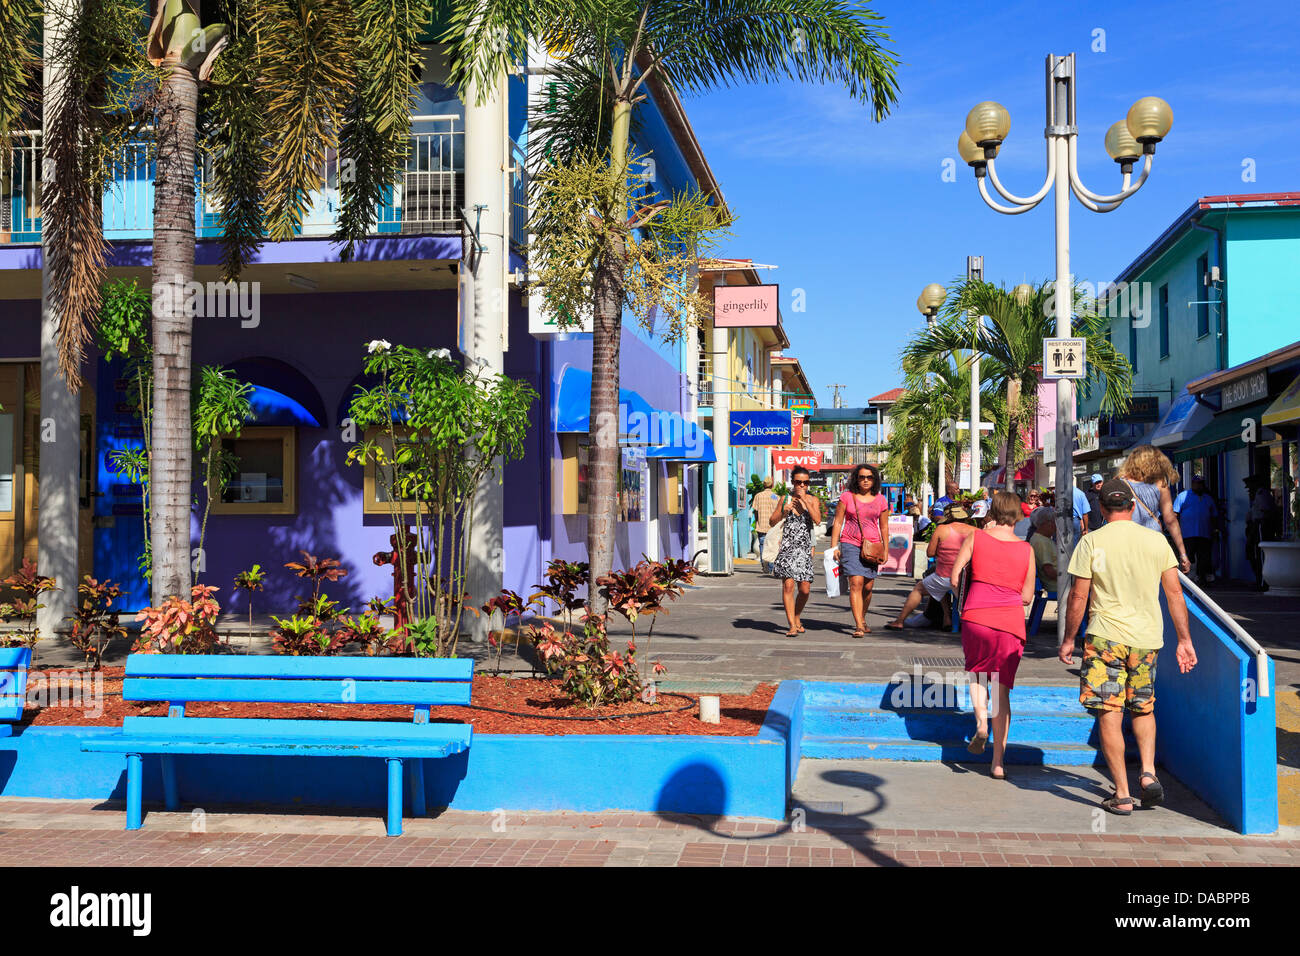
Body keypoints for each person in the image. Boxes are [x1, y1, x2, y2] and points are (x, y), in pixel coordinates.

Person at [1059, 479, 1197, 815]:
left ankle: (1121, 794)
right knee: (1144, 706)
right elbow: (1175, 593)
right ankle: (1147, 772)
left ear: (1102, 509)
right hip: (1147, 638)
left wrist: (1067, 639)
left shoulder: (1092, 542)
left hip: (1105, 638)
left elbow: (1078, 596)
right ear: (1132, 506)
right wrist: (1184, 640)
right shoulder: (1155, 541)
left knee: (1109, 711)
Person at [948, 491, 1036, 779]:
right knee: (1001, 690)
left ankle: (980, 724)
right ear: (1019, 515)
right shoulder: (1026, 549)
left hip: (976, 615)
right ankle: (998, 763)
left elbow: (954, 577)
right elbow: (1027, 596)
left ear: (992, 510)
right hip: (1010, 622)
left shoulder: (976, 537)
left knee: (977, 674)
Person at [886, 504, 975, 631]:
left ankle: (899, 621)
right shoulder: (975, 531)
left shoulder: (942, 529)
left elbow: (930, 553)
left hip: (944, 576)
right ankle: (947, 618)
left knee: (920, 588)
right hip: (966, 579)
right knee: (936, 583)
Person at [829, 462, 890, 637]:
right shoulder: (847, 497)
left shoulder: (880, 500)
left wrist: (886, 549)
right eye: (862, 477)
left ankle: (862, 618)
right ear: (856, 478)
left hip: (873, 547)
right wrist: (834, 546)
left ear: (874, 480)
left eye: (869, 477)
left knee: (868, 587)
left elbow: (884, 527)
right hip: (850, 543)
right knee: (856, 583)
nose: (865, 480)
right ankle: (858, 625)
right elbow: (838, 521)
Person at [1117, 444, 1192, 574]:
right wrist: (1183, 554)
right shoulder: (1160, 484)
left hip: (1126, 541)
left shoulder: (1119, 483)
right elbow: (1170, 520)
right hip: (1154, 540)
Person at [771, 467, 822, 637]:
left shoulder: (813, 499)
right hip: (787, 548)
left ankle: (797, 616)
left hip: (804, 549)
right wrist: (784, 511)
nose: (802, 485)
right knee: (788, 586)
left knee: (805, 590)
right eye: (798, 482)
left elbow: (817, 519)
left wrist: (805, 503)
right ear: (792, 482)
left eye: (805, 483)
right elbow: (772, 521)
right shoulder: (785, 498)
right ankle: (792, 625)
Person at [1173, 474, 1218, 586]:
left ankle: (1201, 579)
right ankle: (1185, 581)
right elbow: (1175, 514)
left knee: (1204, 557)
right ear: (1192, 484)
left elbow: (1214, 515)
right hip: (1188, 533)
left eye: (1201, 483)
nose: (1199, 486)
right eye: (1197, 483)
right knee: (1188, 557)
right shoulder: (1183, 496)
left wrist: (1216, 530)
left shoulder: (1208, 498)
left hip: (1205, 533)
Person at [1244, 474, 1278, 591]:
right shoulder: (1257, 496)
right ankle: (1259, 580)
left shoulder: (1261, 494)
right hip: (1255, 527)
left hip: (1260, 528)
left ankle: (1263, 583)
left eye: (1250, 487)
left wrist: (1254, 530)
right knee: (1253, 554)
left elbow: (1265, 514)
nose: (1249, 491)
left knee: (1260, 555)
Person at [752, 476, 781, 576]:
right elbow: (779, 513)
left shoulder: (758, 496)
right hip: (773, 526)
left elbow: (755, 511)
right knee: (772, 546)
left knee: (762, 545)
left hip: (761, 525)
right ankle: (772, 566)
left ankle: (764, 564)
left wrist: (757, 520)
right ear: (772, 485)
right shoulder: (776, 497)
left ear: (763, 485)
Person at [1029, 508, 1058, 589]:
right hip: (1056, 586)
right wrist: (1067, 577)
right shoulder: (1041, 542)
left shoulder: (1041, 538)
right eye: (1055, 522)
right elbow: (1049, 571)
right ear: (1047, 523)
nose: (1056, 526)